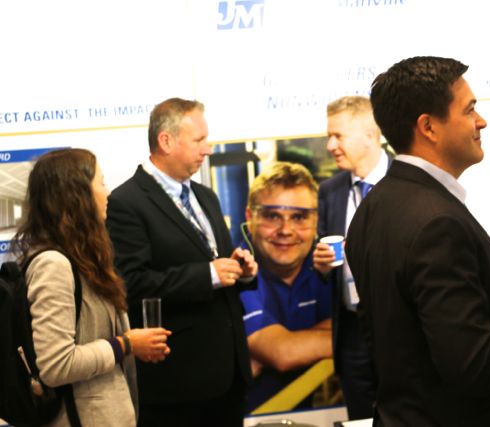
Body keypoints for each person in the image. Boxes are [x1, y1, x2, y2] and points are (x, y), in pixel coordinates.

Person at [344, 56, 490, 426]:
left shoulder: (372, 209)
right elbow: (475, 366)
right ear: (429, 127)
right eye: (469, 110)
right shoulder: (439, 224)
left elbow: (404, 344)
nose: (481, 121)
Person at [106, 98, 258, 427]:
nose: (208, 149)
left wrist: (241, 270)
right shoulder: (126, 202)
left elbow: (216, 262)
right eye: (199, 140)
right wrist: (208, 275)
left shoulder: (206, 196)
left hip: (228, 377)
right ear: (166, 141)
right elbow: (132, 283)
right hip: (178, 382)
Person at [11, 148, 171, 427]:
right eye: (101, 183)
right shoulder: (53, 264)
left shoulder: (81, 258)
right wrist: (126, 344)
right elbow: (56, 365)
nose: (108, 193)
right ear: (77, 195)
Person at [313, 95, 388, 420]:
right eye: (329, 136)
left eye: (338, 136)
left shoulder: (407, 182)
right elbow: (323, 265)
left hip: (399, 330)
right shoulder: (329, 191)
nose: (330, 145)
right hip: (353, 334)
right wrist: (320, 265)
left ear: (370, 136)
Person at [239, 162, 332, 413]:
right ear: (250, 217)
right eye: (272, 216)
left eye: (299, 217)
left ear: (316, 220)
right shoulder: (239, 271)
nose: (286, 231)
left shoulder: (325, 266)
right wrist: (285, 348)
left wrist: (283, 346)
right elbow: (283, 353)